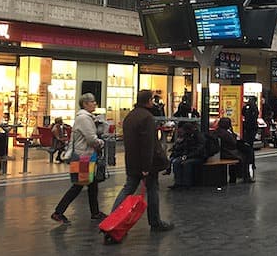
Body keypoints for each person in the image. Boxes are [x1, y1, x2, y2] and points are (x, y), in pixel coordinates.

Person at [112, 89, 174, 232]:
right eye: (152, 99)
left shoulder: (130, 116)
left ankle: (113, 219)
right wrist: (147, 166)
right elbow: (148, 144)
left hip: (132, 161)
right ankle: (155, 221)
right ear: (147, 101)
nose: (153, 102)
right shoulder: (147, 118)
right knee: (152, 189)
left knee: (128, 189)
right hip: (146, 163)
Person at [51, 93, 107, 225]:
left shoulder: (87, 117)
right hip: (84, 156)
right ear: (85, 104)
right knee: (78, 185)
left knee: (92, 184)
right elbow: (91, 138)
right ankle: (58, 212)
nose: (95, 104)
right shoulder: (84, 118)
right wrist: (101, 143)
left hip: (85, 155)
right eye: (92, 102)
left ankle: (95, 212)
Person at [168, 120, 205, 189]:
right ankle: (178, 182)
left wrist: (187, 156)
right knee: (176, 162)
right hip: (189, 155)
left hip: (198, 156)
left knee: (186, 163)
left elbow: (199, 150)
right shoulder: (188, 136)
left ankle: (186, 183)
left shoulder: (199, 137)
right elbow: (184, 147)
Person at [215, 117, 251, 183]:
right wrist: (232, 133)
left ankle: (237, 176)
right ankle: (245, 176)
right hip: (227, 153)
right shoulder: (226, 133)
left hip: (224, 151)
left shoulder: (218, 131)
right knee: (245, 155)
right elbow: (233, 143)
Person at [241, 96, 259, 173]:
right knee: (248, 146)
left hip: (251, 129)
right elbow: (243, 113)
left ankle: (251, 162)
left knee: (249, 146)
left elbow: (253, 118)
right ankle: (250, 161)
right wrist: (245, 106)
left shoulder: (254, 108)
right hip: (248, 128)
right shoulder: (248, 108)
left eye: (250, 100)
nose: (249, 101)